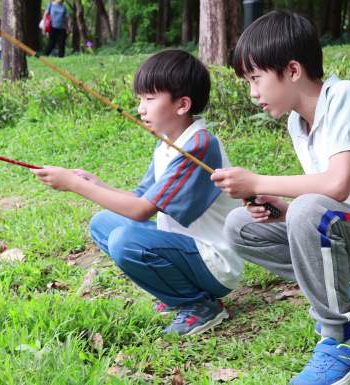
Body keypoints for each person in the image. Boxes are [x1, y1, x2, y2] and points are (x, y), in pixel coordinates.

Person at [212, 11, 350, 385]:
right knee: (240, 227)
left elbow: (335, 186)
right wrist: (281, 207)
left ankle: (343, 344)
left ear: (293, 70)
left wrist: (257, 180)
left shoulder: (343, 97)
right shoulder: (297, 123)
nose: (252, 93)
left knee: (309, 211)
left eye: (256, 79)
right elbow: (327, 198)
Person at [32, 49, 243, 336]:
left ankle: (199, 305)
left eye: (150, 98)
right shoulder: (168, 143)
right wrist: (96, 184)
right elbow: (140, 197)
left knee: (125, 241)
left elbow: (141, 210)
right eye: (140, 98)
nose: (141, 108)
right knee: (103, 224)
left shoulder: (198, 145)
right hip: (185, 249)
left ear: (182, 105)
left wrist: (74, 184)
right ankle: (175, 292)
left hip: (215, 262)